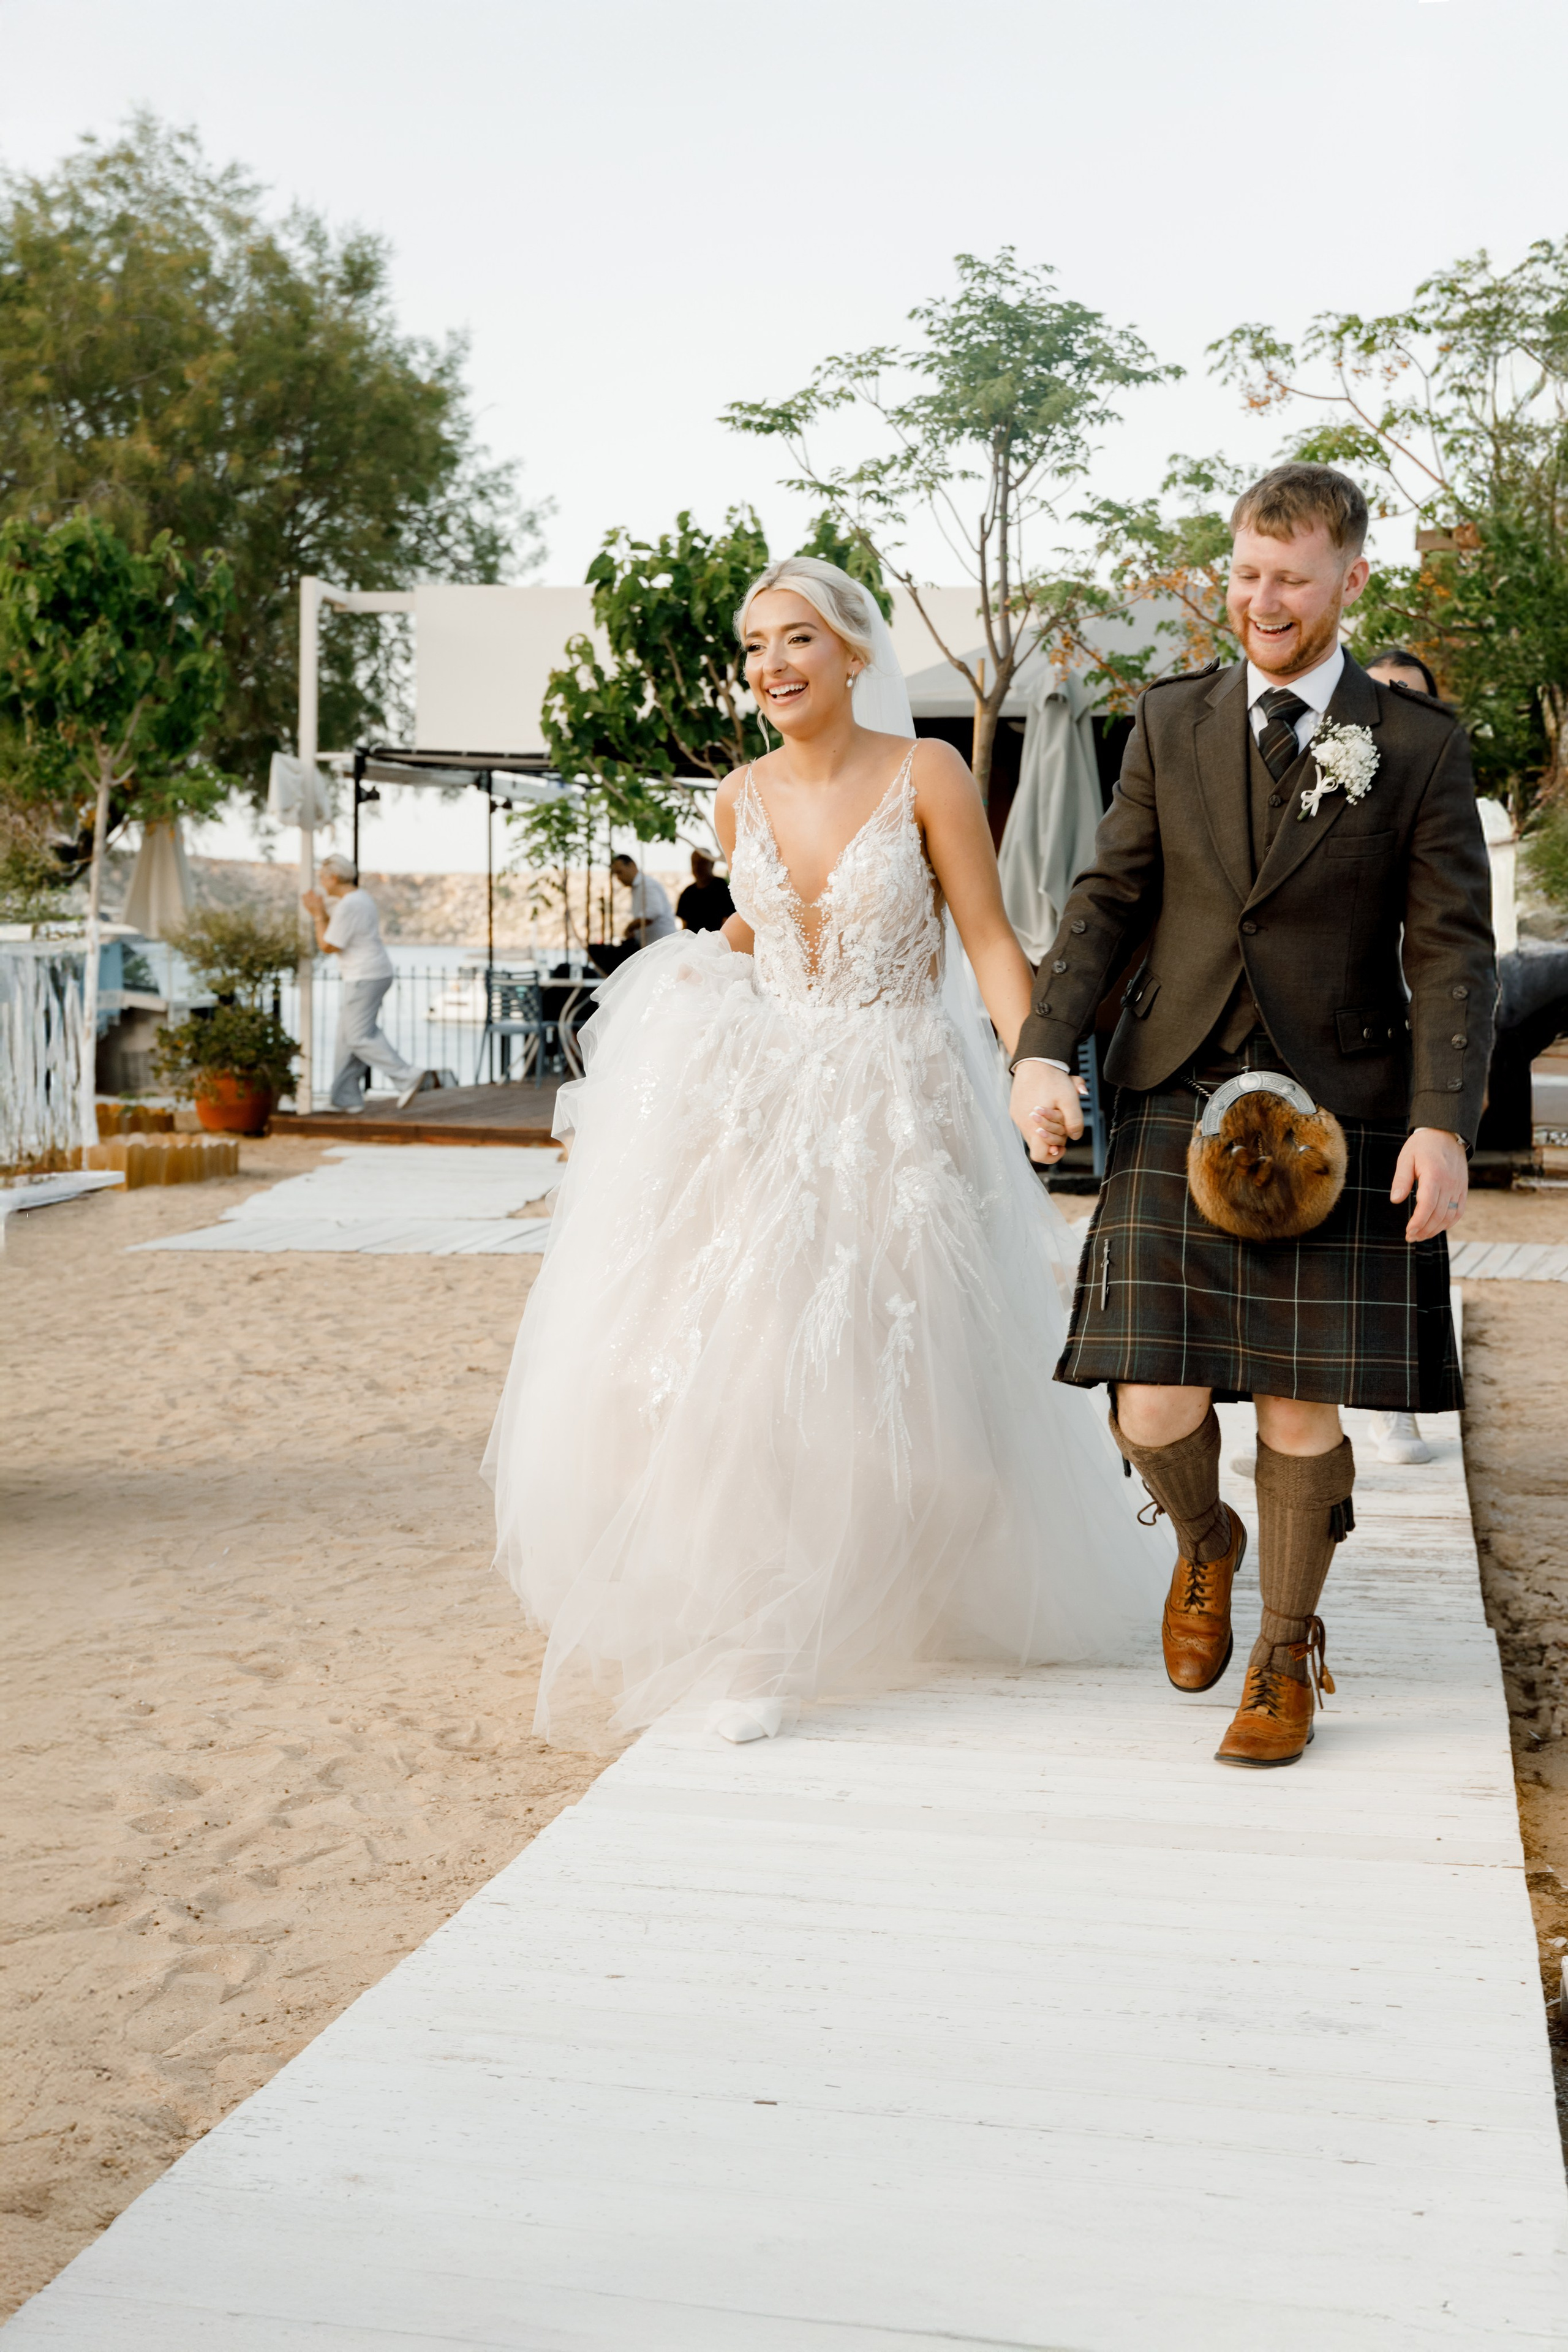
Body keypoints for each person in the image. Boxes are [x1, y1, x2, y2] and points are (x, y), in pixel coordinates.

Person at [485, 556, 1167, 1744]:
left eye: (795, 638)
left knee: (918, 1388)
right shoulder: (735, 798)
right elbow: (762, 925)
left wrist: (1034, 1064)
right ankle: (764, 1641)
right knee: (747, 1364)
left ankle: (922, 1574)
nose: (770, 665)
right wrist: (690, 993)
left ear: (853, 650)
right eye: (753, 646)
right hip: (767, 1101)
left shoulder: (928, 773)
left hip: (904, 1099)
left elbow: (989, 943)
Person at [1009, 464, 1497, 1768]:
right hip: (1176, 1085)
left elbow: (1453, 950)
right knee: (1153, 1399)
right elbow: (1104, 900)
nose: (1261, 599)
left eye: (1289, 576)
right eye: (1243, 573)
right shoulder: (1170, 722)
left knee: (1296, 1403)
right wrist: (1041, 1048)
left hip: (1340, 1110)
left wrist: (1442, 1121)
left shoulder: (1417, 749)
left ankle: (1285, 1650)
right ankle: (1204, 1545)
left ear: (1345, 578)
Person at [301, 854, 433, 1113]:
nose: (321, 883)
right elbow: (336, 934)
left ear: (334, 878)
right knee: (347, 1037)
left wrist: (318, 914)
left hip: (365, 976)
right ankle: (345, 1097)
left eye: (322, 878)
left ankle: (406, 1075)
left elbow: (328, 944)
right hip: (369, 974)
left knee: (358, 1035)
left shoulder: (350, 905)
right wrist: (324, 911)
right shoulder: (357, 900)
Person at [609, 853, 676, 949]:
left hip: (664, 946)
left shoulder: (648, 885)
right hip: (654, 946)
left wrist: (631, 927)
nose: (619, 878)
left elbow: (652, 913)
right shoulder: (637, 888)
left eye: (620, 872)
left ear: (632, 866)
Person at [676, 848, 736, 933]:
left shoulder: (721, 888)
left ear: (712, 863)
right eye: (694, 862)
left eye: (702, 862)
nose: (697, 867)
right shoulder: (688, 893)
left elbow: (728, 920)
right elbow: (684, 927)